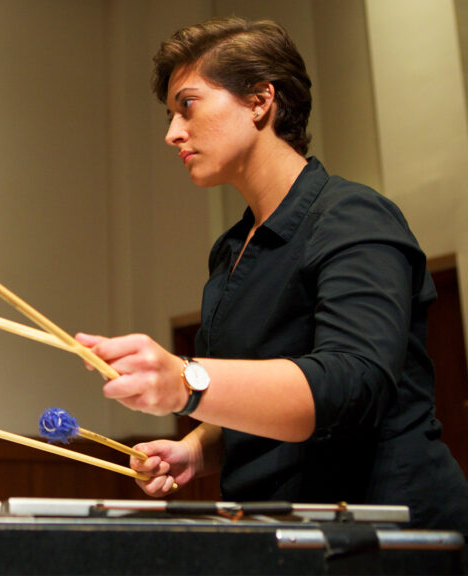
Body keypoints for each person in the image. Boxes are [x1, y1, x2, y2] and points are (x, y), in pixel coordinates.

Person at [75, 16, 468, 549]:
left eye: (187, 105)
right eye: (169, 115)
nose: (171, 133)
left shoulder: (355, 216)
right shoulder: (232, 250)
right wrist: (199, 446)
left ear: (261, 101)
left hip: (384, 537)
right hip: (282, 536)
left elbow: (350, 385)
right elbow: (255, 399)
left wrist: (187, 380)